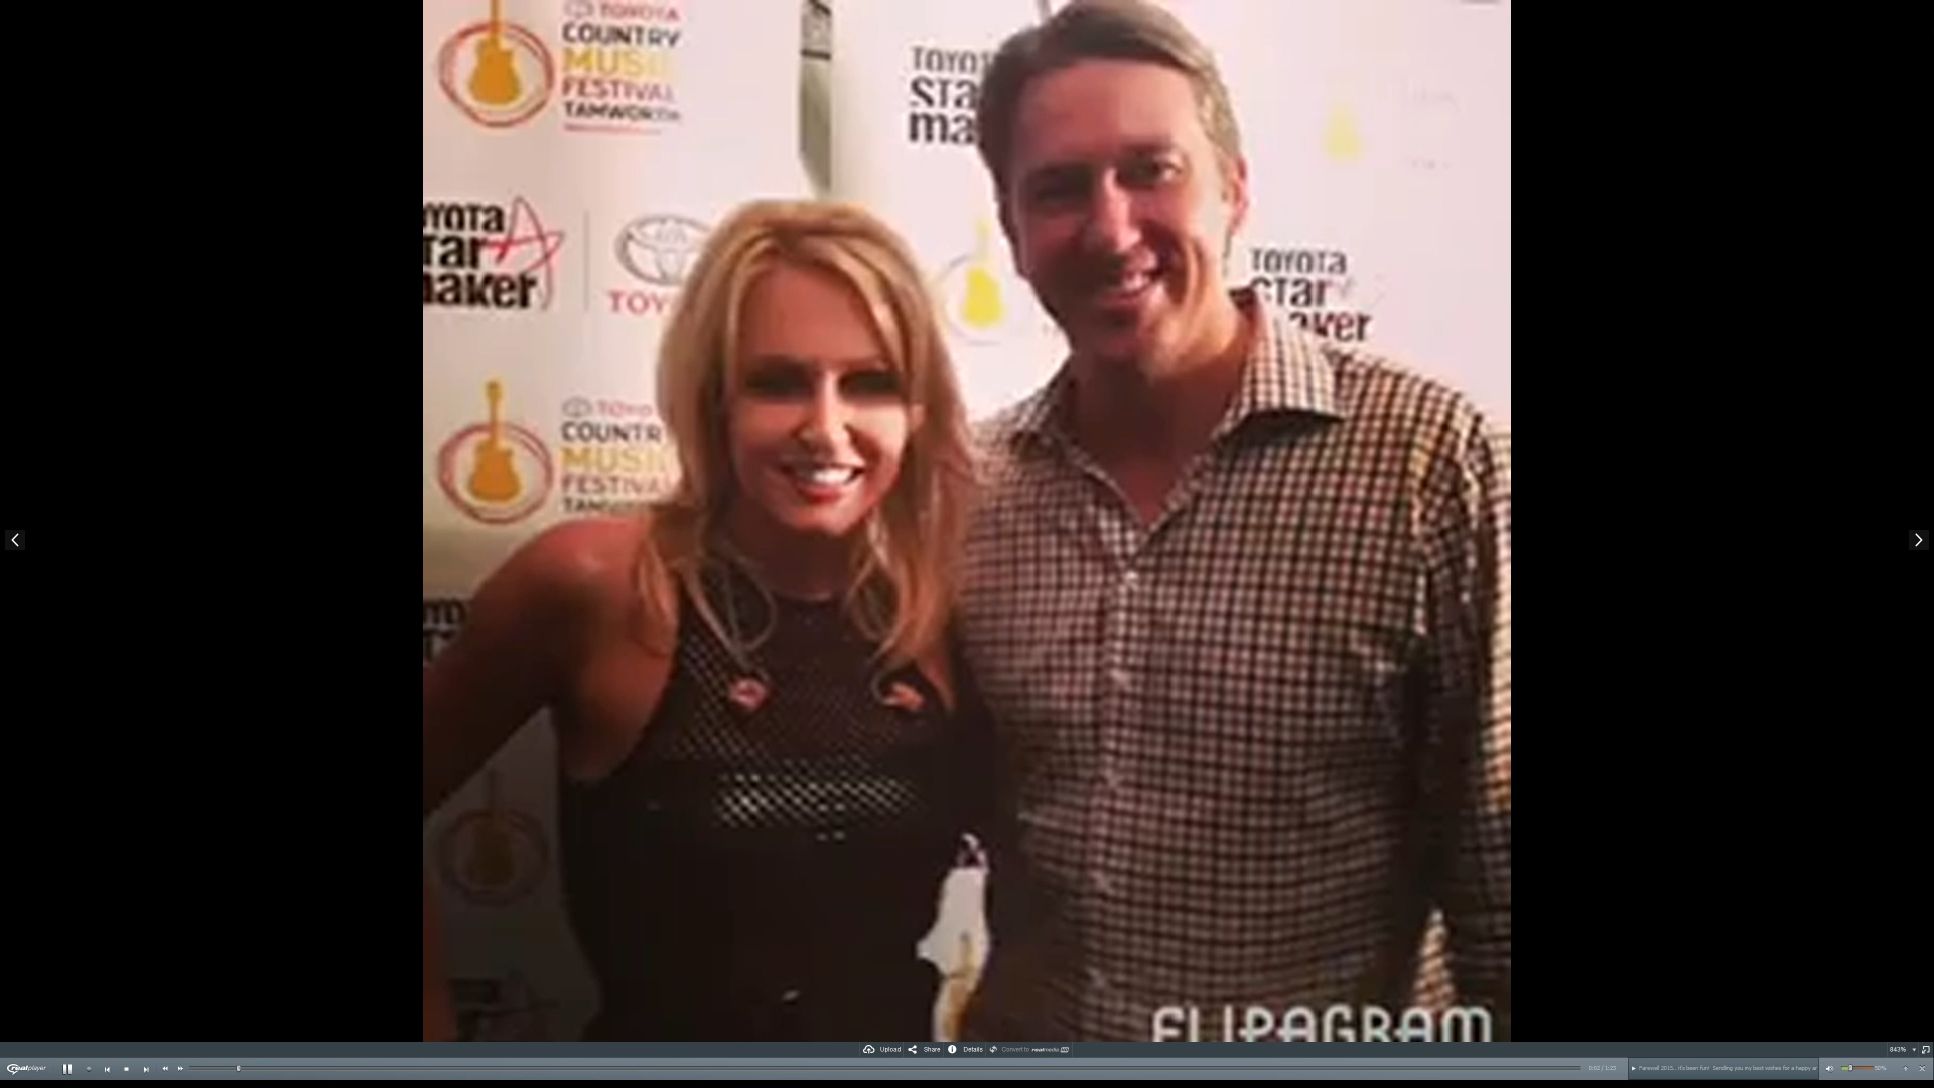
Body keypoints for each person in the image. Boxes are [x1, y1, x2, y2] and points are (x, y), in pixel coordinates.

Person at [954, 0, 1511, 1042]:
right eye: (1059, 189)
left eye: (1151, 171)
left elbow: (1498, 880)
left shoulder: (1431, 460)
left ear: (1235, 190)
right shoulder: (972, 492)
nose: (1111, 228)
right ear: (1012, 232)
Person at [422, 200, 981, 1041]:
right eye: (777, 382)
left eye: (871, 384)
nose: (825, 427)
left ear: (918, 410)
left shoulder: (942, 607)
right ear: (715, 401)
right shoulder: (598, 588)